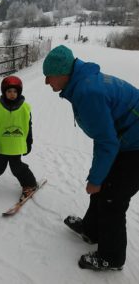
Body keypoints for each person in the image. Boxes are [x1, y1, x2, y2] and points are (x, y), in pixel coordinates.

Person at [43, 45, 139, 271]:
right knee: (105, 185)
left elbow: (106, 141)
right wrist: (99, 178)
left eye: (49, 77)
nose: (47, 83)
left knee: (112, 198)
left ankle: (111, 257)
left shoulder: (88, 92)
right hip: (127, 139)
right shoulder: (83, 83)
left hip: (135, 145)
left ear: (63, 74)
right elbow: (106, 136)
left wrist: (94, 180)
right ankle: (92, 230)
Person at [0, 75, 37, 200]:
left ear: (19, 92)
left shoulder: (25, 107)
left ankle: (30, 184)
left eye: (15, 91)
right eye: (9, 91)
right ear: (4, 92)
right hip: (1, 145)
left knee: (17, 167)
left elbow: (28, 126)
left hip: (16, 145)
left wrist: (29, 142)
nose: (12, 94)